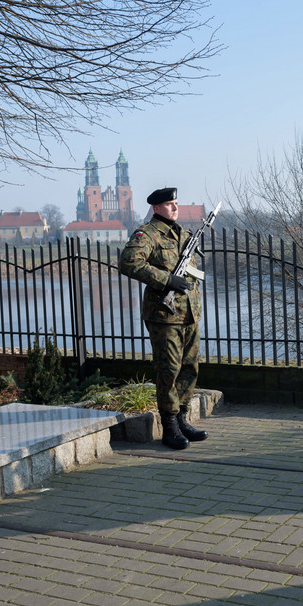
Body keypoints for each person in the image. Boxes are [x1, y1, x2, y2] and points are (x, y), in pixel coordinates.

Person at [119, 187, 210, 451]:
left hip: (189, 312)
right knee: (169, 369)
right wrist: (167, 279)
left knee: (189, 367)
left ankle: (182, 419)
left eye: (176, 203)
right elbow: (129, 263)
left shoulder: (182, 233)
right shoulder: (147, 234)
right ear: (156, 208)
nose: (175, 208)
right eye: (169, 204)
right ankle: (169, 425)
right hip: (164, 314)